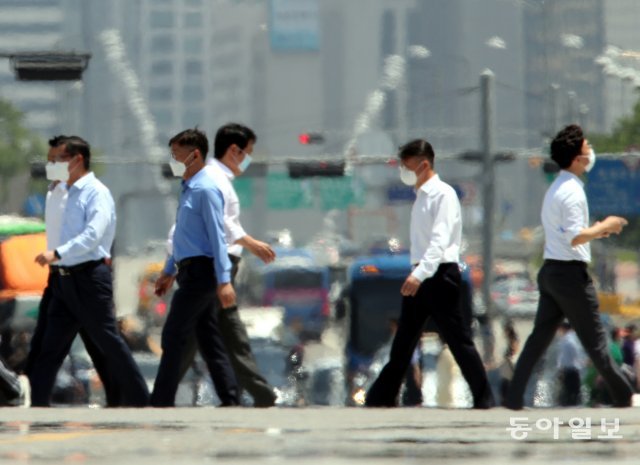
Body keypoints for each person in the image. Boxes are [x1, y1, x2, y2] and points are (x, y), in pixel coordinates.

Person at [504, 124, 634, 410]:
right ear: (577, 158)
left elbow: (569, 234)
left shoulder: (556, 188)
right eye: (587, 147)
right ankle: (625, 396)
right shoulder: (573, 192)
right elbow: (575, 236)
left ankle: (513, 398)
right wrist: (606, 225)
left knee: (538, 340)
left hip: (551, 272)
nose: (591, 152)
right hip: (570, 275)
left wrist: (598, 231)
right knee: (597, 343)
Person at [365, 139, 494, 409]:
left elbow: (439, 241)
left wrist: (419, 274)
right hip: (423, 273)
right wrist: (418, 273)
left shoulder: (443, 195)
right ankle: (381, 397)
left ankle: (484, 397)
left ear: (424, 164)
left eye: (407, 165)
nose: (403, 170)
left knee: (458, 340)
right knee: (404, 340)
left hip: (439, 275)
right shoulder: (421, 196)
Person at [29, 136, 149, 407]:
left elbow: (93, 235)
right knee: (49, 347)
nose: (51, 166)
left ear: (77, 159)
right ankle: (37, 405)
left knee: (109, 344)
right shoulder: (59, 192)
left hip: (89, 278)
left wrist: (57, 253)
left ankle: (141, 402)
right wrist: (57, 261)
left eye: (56, 160)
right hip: (61, 280)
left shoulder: (96, 192)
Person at [173, 123, 277, 407]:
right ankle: (257, 393)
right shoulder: (215, 178)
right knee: (218, 334)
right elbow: (222, 225)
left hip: (213, 266)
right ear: (234, 150)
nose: (249, 158)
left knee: (201, 334)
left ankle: (163, 392)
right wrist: (251, 243)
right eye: (248, 152)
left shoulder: (216, 178)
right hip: (216, 265)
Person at [151, 128, 239, 407]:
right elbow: (182, 238)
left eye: (177, 155)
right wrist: (169, 270)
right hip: (188, 271)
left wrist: (224, 280)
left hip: (202, 273)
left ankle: (161, 401)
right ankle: (230, 398)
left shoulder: (206, 189)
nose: (173, 161)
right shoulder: (189, 188)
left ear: (195, 154)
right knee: (209, 339)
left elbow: (217, 236)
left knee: (173, 334)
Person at [555, 321, 585, 406]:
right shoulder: (567, 339)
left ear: (563, 328)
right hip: (570, 369)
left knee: (571, 392)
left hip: (571, 369)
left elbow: (574, 355)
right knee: (571, 392)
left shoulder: (569, 340)